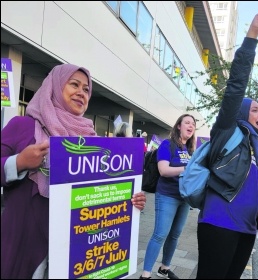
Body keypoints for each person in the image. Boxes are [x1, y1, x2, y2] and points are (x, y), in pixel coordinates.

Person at [1, 64, 146, 279]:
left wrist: (130, 200)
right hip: (26, 239)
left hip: (74, 247)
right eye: (74, 84)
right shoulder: (23, 125)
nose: (81, 92)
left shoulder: (91, 140)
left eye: (86, 89)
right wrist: (19, 162)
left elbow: (102, 193)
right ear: (55, 86)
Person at [195, 13, 258, 279]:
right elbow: (235, 86)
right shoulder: (227, 131)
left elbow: (253, 190)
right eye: (255, 109)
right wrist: (253, 34)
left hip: (246, 230)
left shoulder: (257, 147)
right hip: (220, 224)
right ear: (241, 113)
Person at [139, 114, 196, 279]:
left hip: (184, 198)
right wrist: (186, 170)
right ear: (179, 126)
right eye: (187, 122)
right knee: (160, 234)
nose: (190, 125)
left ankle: (164, 268)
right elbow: (164, 170)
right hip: (167, 196)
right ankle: (145, 275)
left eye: (193, 124)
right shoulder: (167, 144)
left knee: (175, 235)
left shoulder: (190, 150)